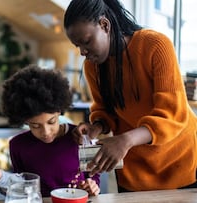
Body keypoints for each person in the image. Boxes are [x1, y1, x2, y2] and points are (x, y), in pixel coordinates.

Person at [64, 0, 197, 193]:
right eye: (77, 46)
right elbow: (105, 110)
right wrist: (97, 126)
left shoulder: (156, 45)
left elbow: (172, 115)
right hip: (135, 170)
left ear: (104, 25)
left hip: (179, 161)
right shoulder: (93, 66)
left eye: (86, 41)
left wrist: (124, 140)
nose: (83, 52)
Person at [1, 65, 100, 197]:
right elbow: (21, 187)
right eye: (35, 125)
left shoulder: (80, 137)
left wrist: (92, 186)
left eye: (51, 122)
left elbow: (94, 177)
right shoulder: (17, 145)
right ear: (25, 121)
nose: (46, 132)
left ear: (60, 111)